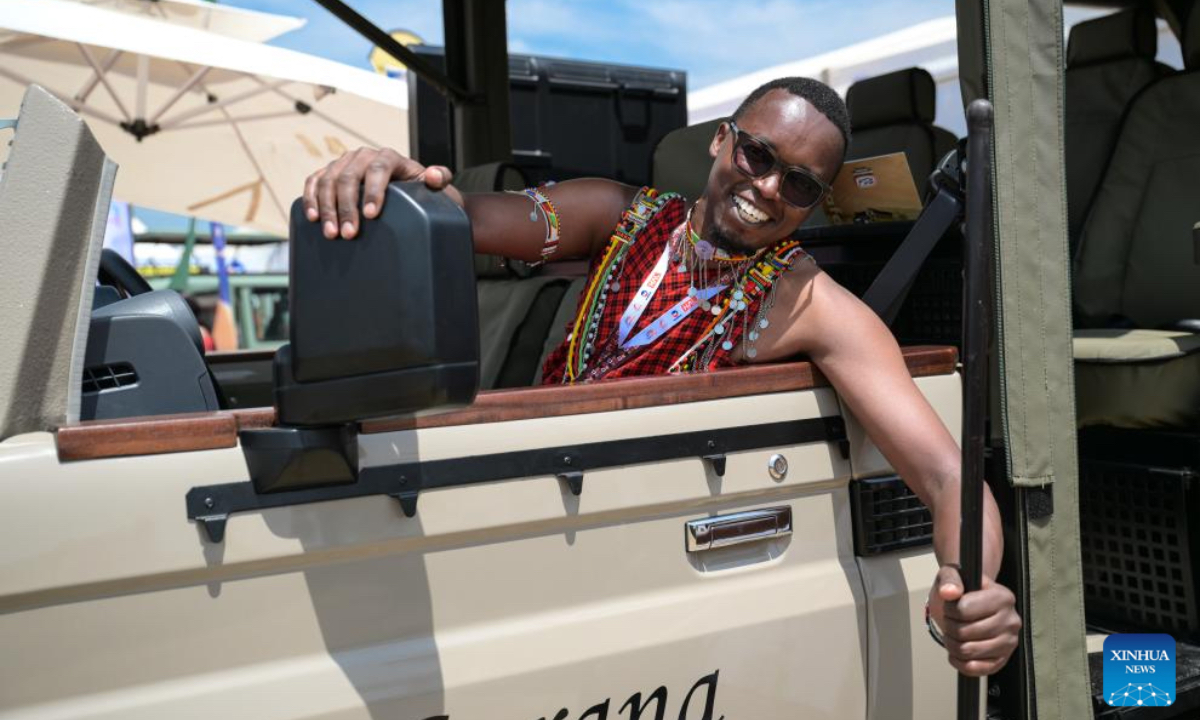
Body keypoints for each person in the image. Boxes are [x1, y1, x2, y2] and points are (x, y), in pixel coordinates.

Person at [303, 77, 1021, 677]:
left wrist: (972, 585)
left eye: (798, 183)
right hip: (529, 512)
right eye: (756, 152)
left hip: (644, 554)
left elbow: (947, 475)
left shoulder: (809, 304)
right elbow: (478, 216)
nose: (766, 186)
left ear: (817, 202)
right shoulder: (618, 216)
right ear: (720, 138)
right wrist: (398, 181)